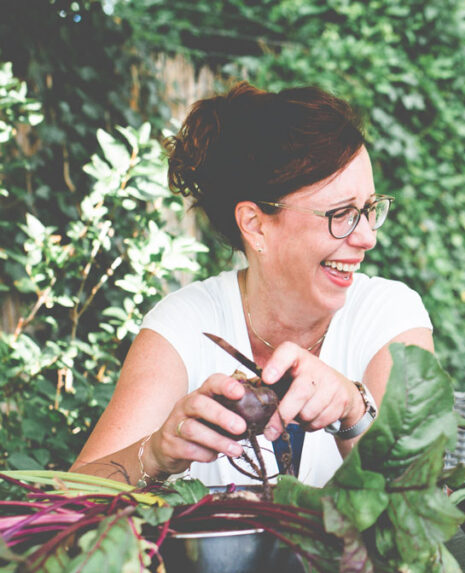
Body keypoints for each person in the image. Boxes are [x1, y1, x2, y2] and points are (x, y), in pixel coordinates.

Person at [71, 82, 433, 488]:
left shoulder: (389, 317)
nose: (368, 237)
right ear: (255, 225)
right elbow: (67, 499)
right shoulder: (185, 325)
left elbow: (427, 500)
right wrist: (154, 453)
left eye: (368, 209)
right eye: (341, 214)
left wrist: (354, 411)